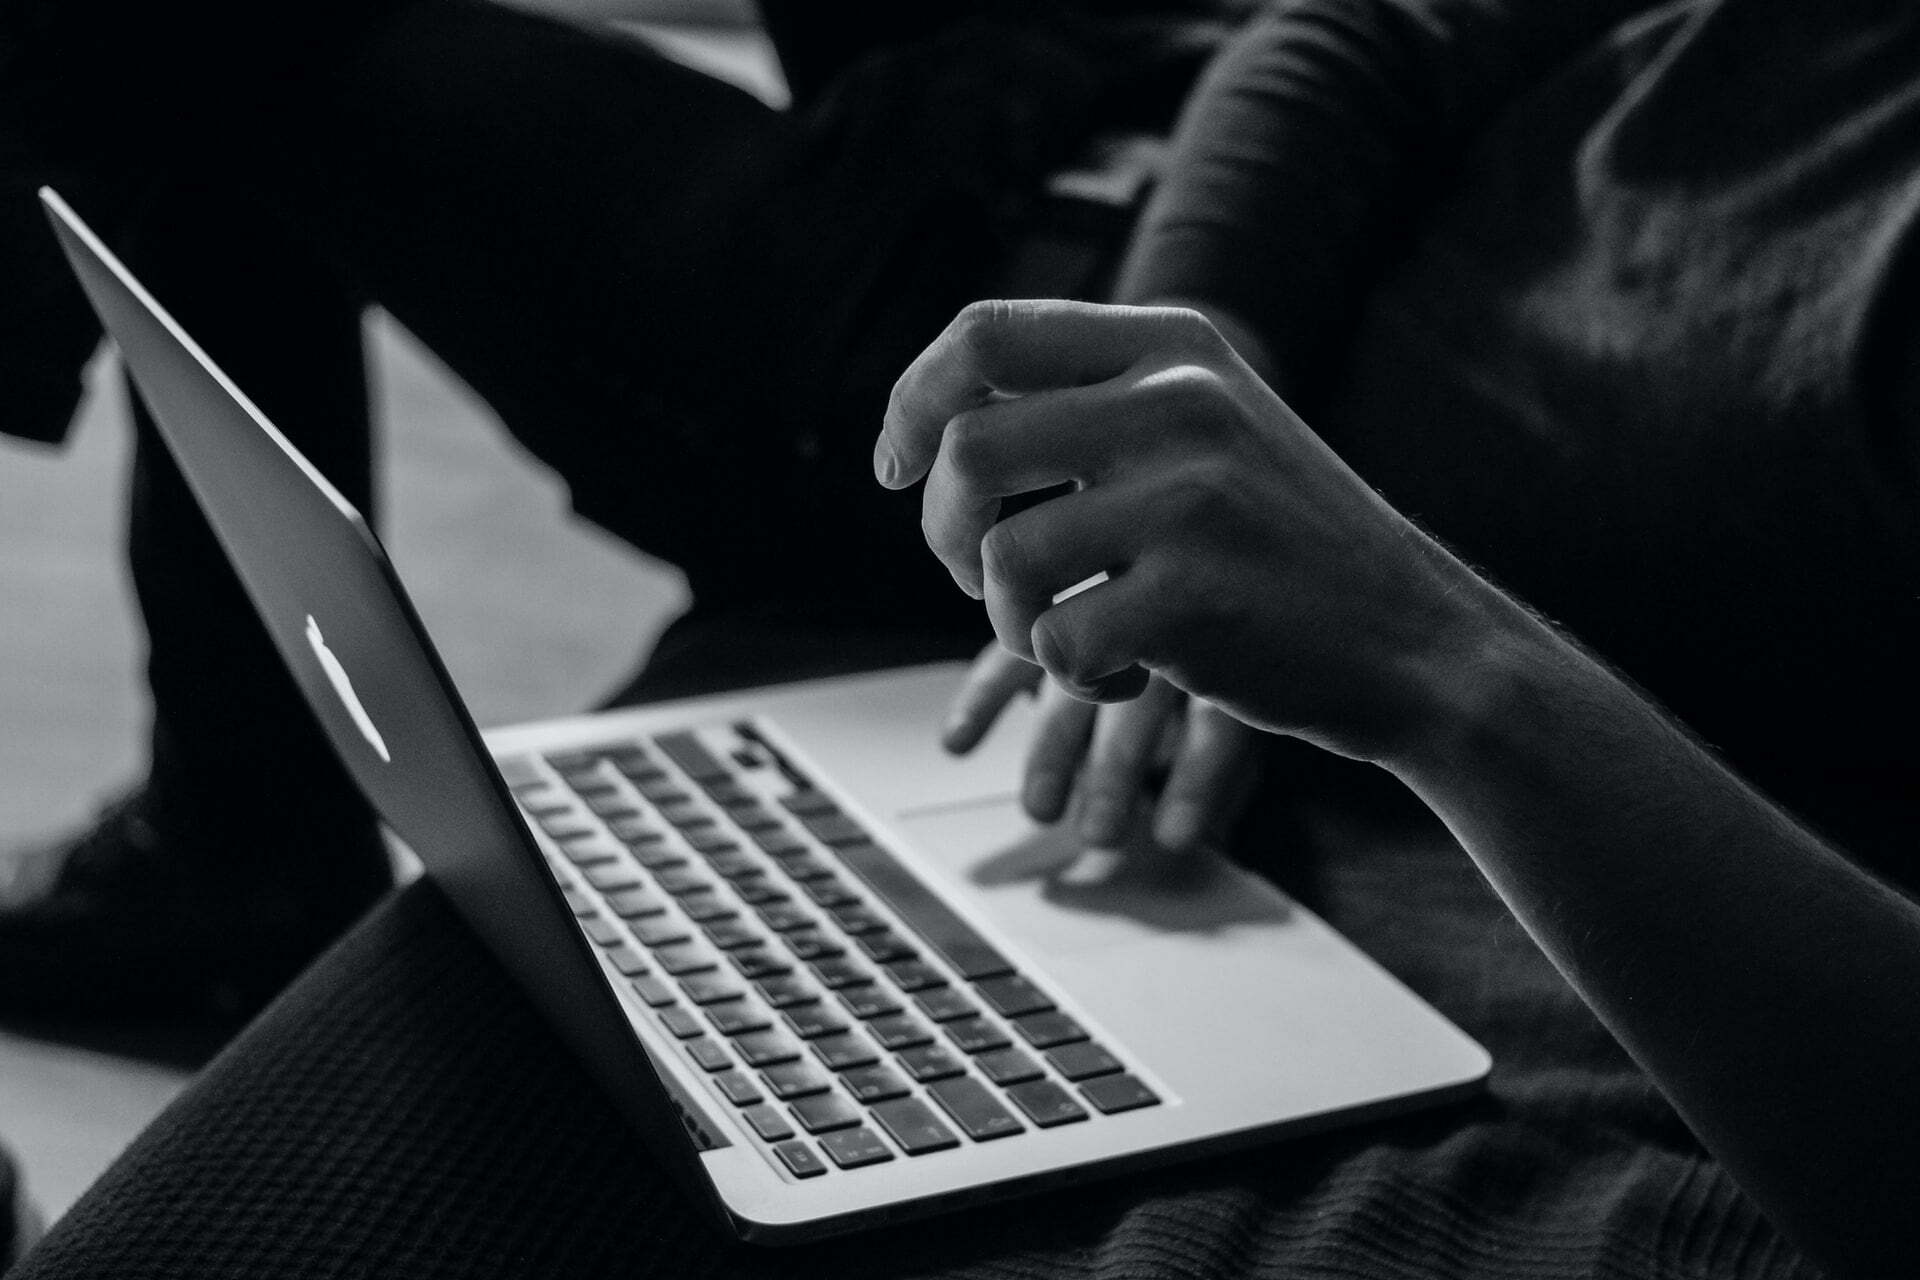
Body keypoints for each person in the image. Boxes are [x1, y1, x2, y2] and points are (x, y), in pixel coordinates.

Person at [0, 0, 1913, 1275]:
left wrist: (1441, 656)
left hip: (929, 392)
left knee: (161, 22)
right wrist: (1200, 369)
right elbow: (1355, 34)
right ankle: (237, 839)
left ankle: (232, 850)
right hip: (1072, 181)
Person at [0, 0, 1232, 1020]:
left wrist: (1189, 430)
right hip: (1018, 123)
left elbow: (1345, 55)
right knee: (202, 63)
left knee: (214, 45)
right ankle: (243, 847)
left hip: (995, 278)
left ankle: (244, 851)